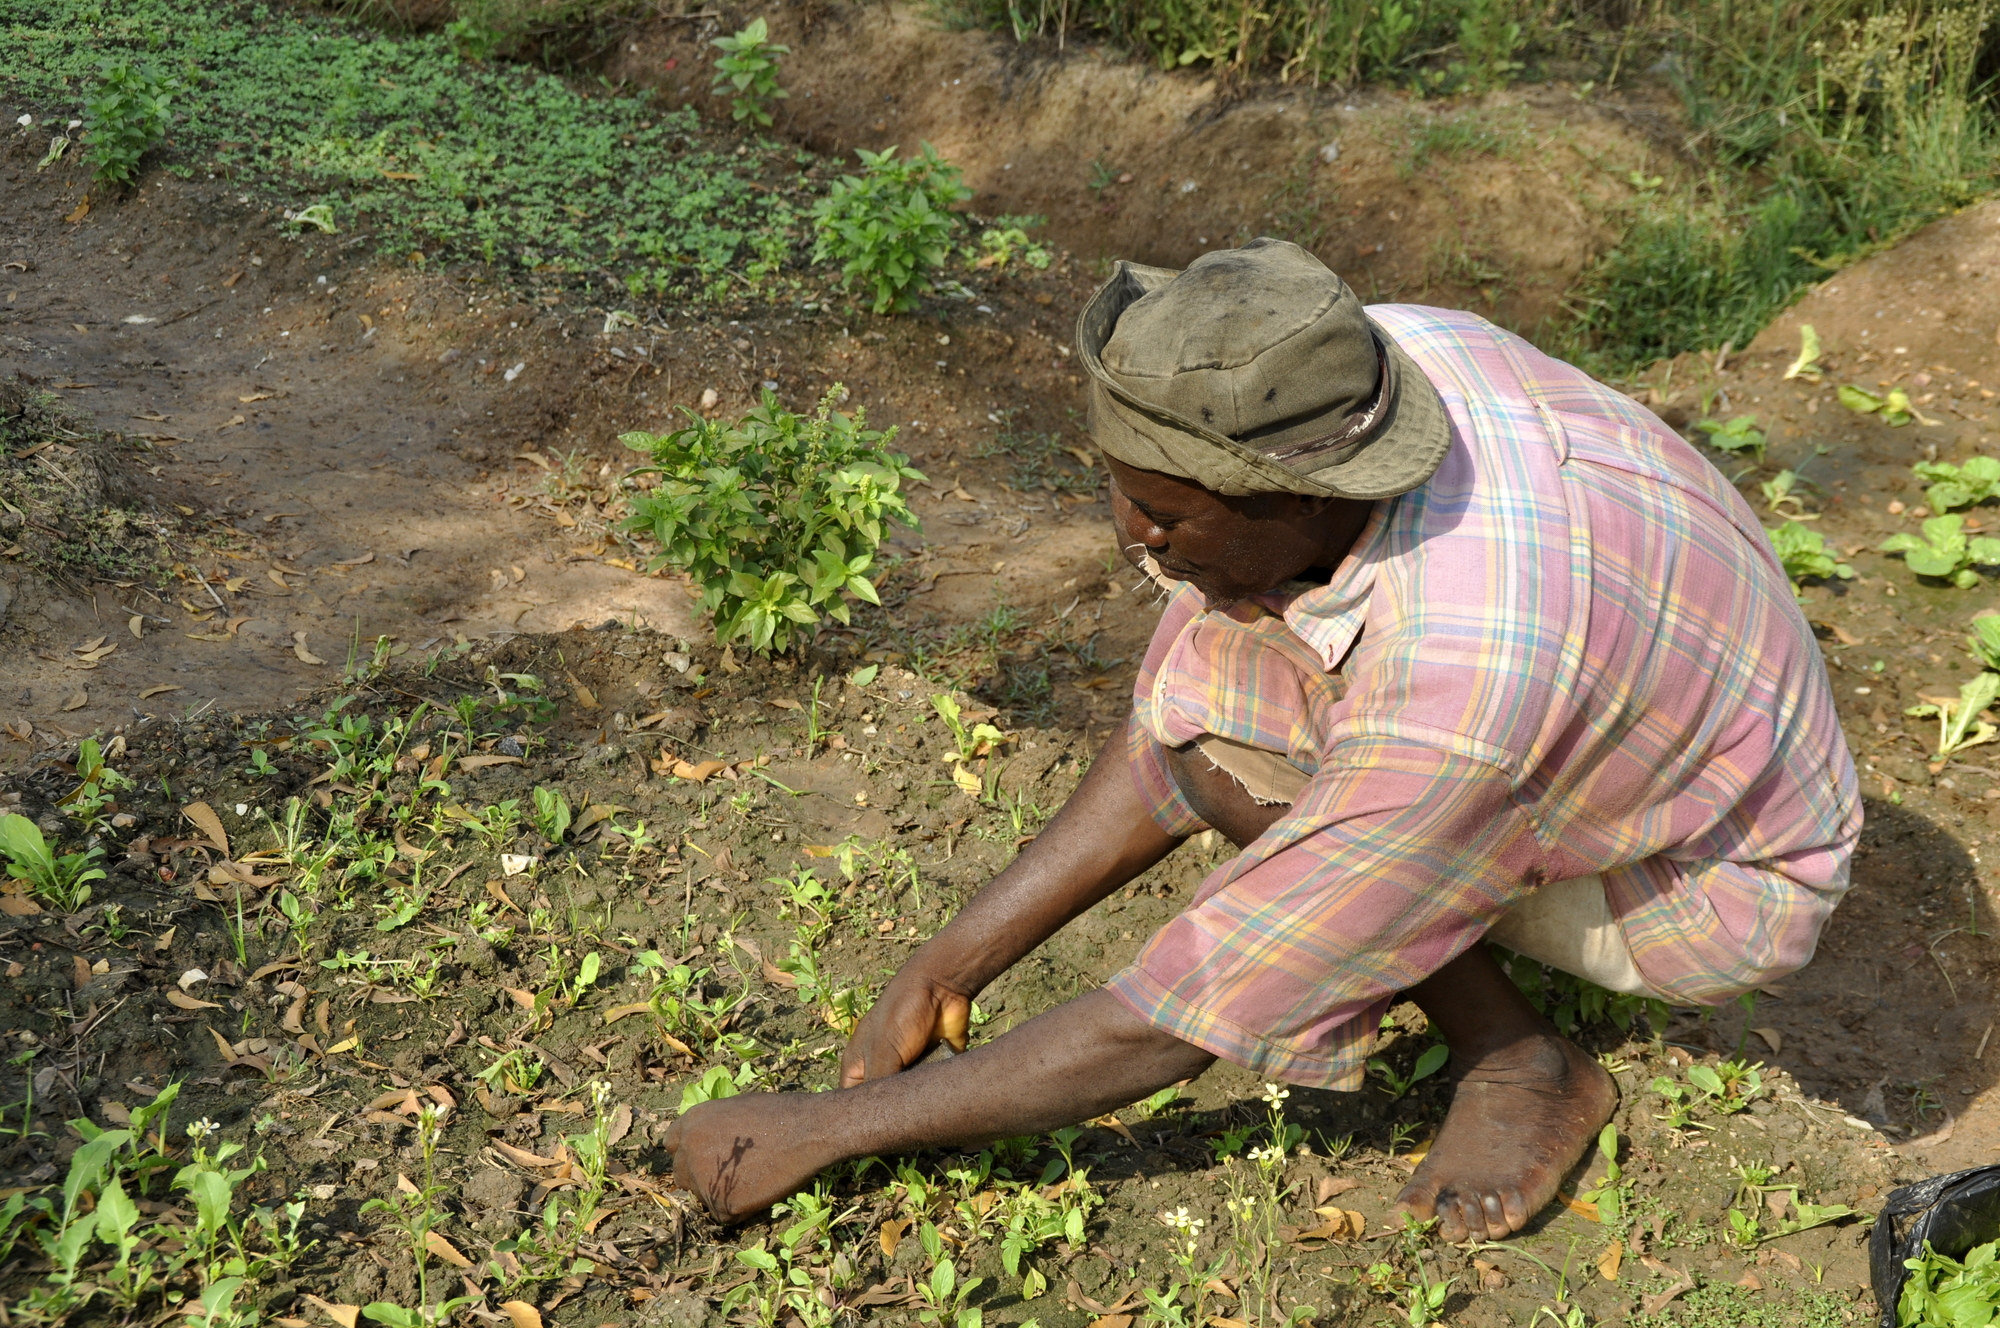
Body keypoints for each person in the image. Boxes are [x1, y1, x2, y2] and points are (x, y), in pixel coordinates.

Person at [663, 238, 1859, 1242]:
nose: (1132, 536)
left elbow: (1187, 1009)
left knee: (1333, 846)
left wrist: (822, 1129)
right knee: (1239, 692)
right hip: (1633, 701)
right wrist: (943, 966)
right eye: (1123, 488)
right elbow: (1183, 734)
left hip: (1709, 876)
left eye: (1167, 514)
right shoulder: (1355, 367)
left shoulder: (1464, 683)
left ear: (1297, 497)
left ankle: (1519, 1060)